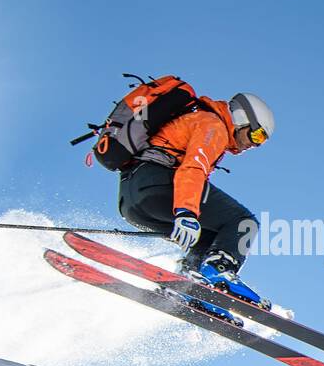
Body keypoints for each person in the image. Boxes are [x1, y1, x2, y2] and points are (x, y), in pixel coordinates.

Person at [117, 91, 274, 306]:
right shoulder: (213, 125)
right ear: (241, 119)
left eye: (260, 143)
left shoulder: (201, 121)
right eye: (256, 136)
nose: (254, 145)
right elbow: (193, 169)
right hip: (157, 187)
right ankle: (221, 272)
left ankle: (189, 284)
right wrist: (186, 212)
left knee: (210, 234)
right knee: (244, 222)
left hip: (132, 202)